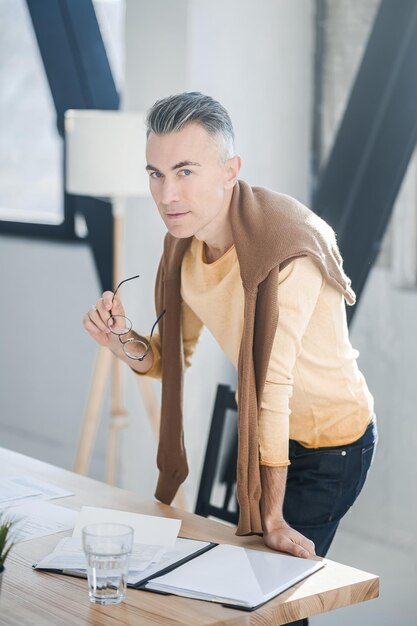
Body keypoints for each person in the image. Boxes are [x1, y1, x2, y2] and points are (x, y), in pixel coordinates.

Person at [83, 91, 376, 588]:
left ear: (230, 170)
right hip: (266, 432)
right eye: (155, 174)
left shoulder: (289, 249)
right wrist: (120, 339)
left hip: (332, 441)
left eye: (185, 171)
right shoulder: (184, 244)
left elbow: (274, 385)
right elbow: (168, 359)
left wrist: (275, 517)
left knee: (272, 597)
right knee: (246, 591)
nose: (166, 194)